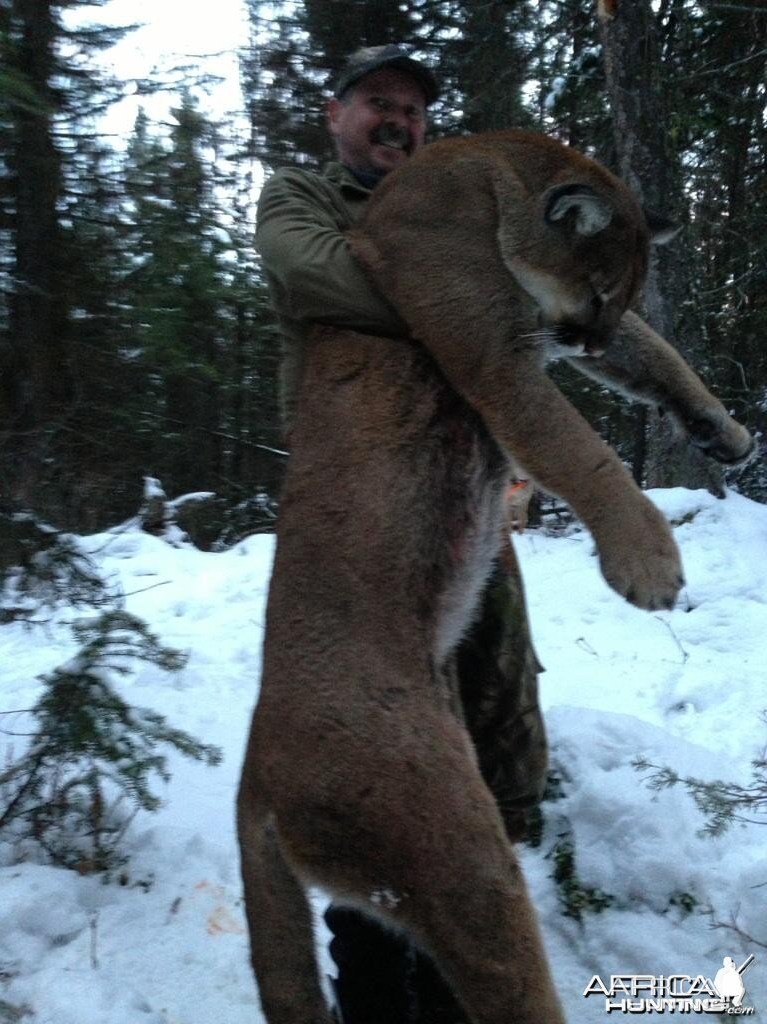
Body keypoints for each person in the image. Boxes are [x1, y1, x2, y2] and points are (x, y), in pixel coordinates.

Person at [255, 44, 547, 1024]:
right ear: (335, 113)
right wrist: (459, 299)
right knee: (371, 776)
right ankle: (380, 999)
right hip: (352, 546)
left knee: (488, 749)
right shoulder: (299, 199)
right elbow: (315, 277)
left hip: (462, 518)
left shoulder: (451, 216)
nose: (398, 119)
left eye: (414, 110)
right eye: (378, 101)